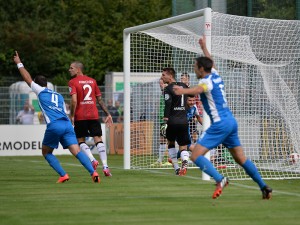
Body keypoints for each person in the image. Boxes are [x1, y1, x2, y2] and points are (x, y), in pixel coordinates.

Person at [173, 36, 272, 199]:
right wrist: (204, 48)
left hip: (220, 124)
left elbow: (199, 89)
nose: (194, 70)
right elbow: (210, 62)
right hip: (231, 122)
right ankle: (264, 187)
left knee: (195, 155)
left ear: (201, 69)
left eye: (196, 68)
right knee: (241, 159)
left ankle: (220, 179)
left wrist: (182, 91)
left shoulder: (206, 81)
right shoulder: (215, 75)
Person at [13, 51, 99, 183]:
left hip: (55, 125)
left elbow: (27, 78)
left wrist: (19, 63)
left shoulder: (39, 90)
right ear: (47, 84)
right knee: (76, 151)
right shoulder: (57, 95)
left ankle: (63, 174)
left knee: (46, 152)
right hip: (67, 124)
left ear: (37, 85)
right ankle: (93, 172)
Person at [68, 61, 113, 177]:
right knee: (98, 138)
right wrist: (108, 113)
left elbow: (74, 100)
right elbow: (100, 100)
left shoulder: (72, 82)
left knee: (80, 140)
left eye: (71, 68)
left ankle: (92, 160)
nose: (69, 70)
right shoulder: (92, 81)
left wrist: (71, 115)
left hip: (80, 115)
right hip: (93, 114)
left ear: (78, 69)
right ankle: (106, 167)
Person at [161, 67, 191, 175]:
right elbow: (191, 95)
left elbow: (168, 104)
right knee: (183, 146)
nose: (162, 77)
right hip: (183, 121)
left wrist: (165, 122)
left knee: (171, 143)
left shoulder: (168, 88)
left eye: (164, 75)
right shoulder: (183, 86)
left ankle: (177, 168)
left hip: (172, 121)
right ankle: (185, 162)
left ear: (170, 75)